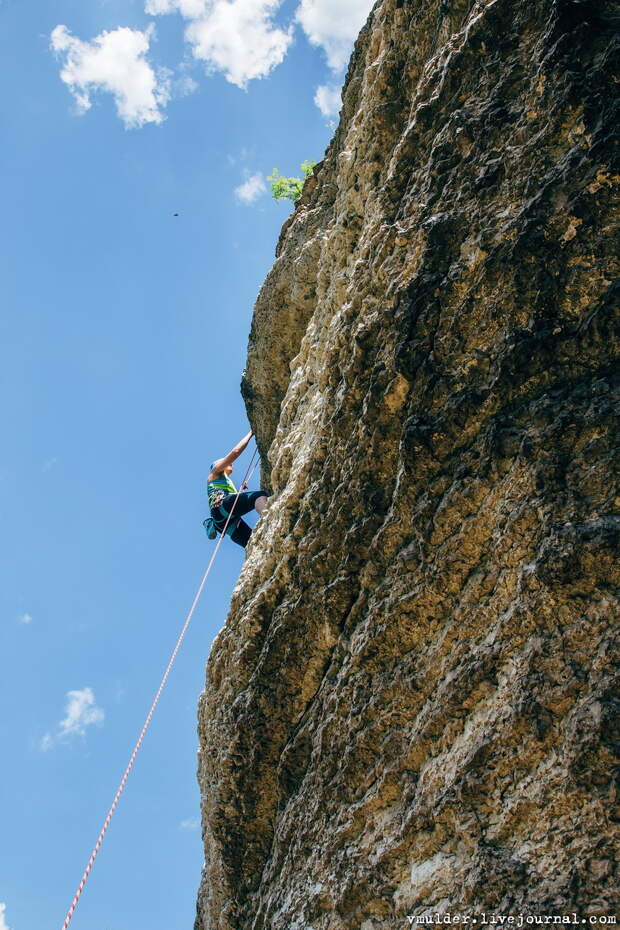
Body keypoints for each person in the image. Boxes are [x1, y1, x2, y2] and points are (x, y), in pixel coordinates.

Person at [207, 430, 268, 548]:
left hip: (223, 521)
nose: (230, 463)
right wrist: (250, 434)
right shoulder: (214, 472)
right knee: (258, 496)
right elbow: (235, 452)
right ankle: (271, 517)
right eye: (223, 460)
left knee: (254, 545)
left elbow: (234, 502)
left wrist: (240, 492)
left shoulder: (220, 482)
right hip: (221, 507)